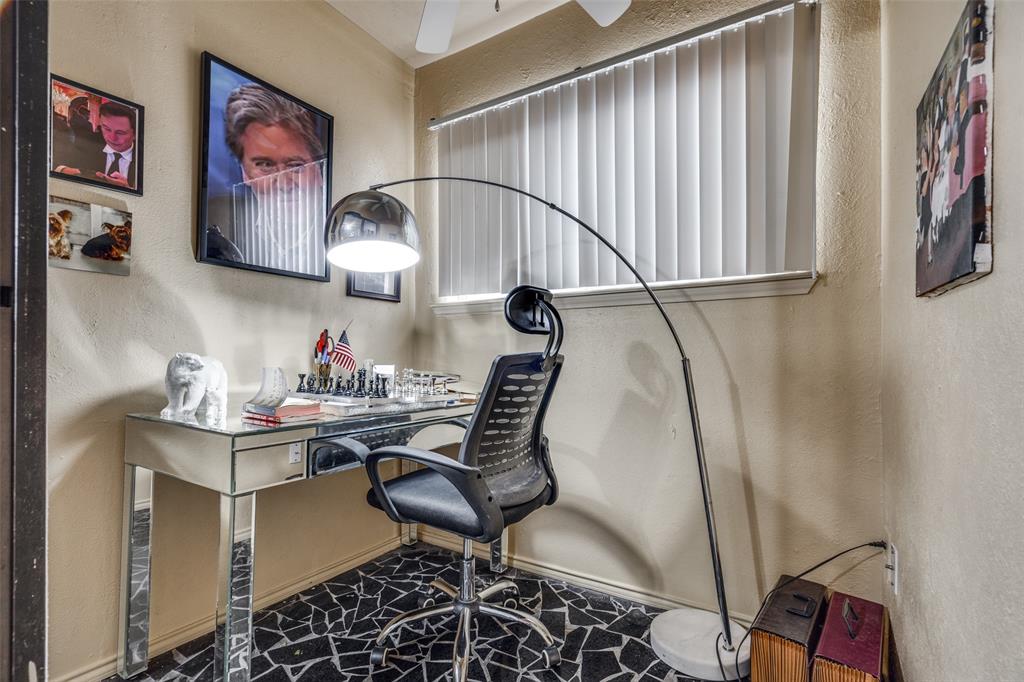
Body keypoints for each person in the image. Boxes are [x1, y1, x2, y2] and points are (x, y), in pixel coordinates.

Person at [205, 84, 326, 271]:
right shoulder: (215, 226)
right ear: (244, 172)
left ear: (318, 171)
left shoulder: (340, 235)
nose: (284, 185)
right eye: (265, 165)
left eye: (295, 166)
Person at [53, 100, 138, 190]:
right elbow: (54, 164)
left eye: (120, 133)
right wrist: (71, 172)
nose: (112, 138)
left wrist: (129, 190)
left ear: (135, 134)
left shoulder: (146, 160)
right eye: (107, 129)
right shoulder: (88, 143)